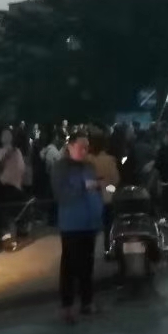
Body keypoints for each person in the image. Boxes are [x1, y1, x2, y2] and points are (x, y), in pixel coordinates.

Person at [52, 130, 103, 322]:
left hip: (90, 223)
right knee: (70, 266)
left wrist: (105, 188)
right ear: (70, 146)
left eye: (87, 147)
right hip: (71, 224)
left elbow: (102, 187)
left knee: (87, 265)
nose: (84, 150)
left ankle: (87, 302)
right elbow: (60, 194)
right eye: (81, 147)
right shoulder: (60, 168)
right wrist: (83, 187)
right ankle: (67, 306)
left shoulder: (89, 166)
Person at [88, 130, 121, 249]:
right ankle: (108, 249)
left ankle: (89, 250)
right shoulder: (110, 160)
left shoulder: (86, 160)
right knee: (108, 226)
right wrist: (107, 187)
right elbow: (116, 180)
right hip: (107, 198)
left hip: (90, 198)